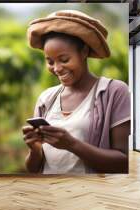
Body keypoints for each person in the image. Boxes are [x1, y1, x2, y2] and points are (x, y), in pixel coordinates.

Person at [22, 10, 130, 174]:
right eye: (50, 62)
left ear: (84, 52)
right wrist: (35, 150)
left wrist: (71, 144)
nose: (57, 68)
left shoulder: (114, 92)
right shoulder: (46, 99)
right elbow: (33, 169)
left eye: (64, 60)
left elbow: (124, 163)